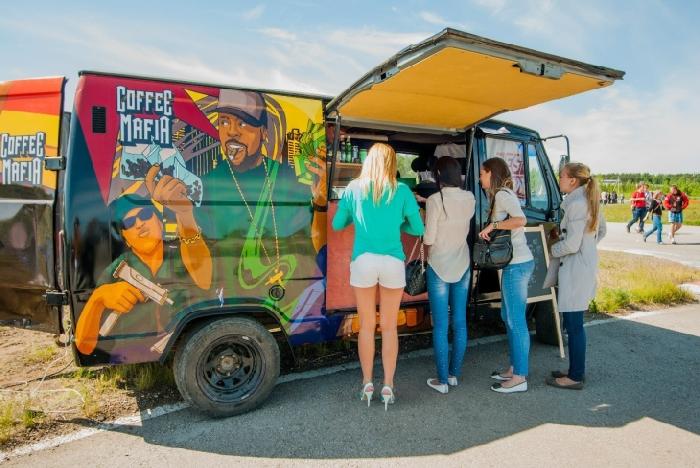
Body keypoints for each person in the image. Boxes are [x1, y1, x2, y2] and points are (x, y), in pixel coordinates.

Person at [198, 89, 327, 322]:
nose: (232, 131)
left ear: (264, 133)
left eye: (243, 123)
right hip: (232, 305)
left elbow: (314, 246)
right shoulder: (207, 185)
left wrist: (320, 202)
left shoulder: (288, 178)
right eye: (224, 121)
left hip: (291, 303)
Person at [75, 166, 212, 360]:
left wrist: (184, 214)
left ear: (160, 223)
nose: (139, 223)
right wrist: (98, 299)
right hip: (129, 355)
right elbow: (84, 347)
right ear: (126, 238)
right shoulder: (118, 269)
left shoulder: (180, 253)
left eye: (145, 215)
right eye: (129, 223)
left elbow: (205, 281)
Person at [332, 143, 424, 410]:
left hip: (363, 261)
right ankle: (388, 386)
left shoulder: (353, 188)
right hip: (392, 261)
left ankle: (367, 383)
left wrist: (356, 217)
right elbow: (418, 227)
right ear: (392, 163)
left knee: (367, 325)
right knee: (389, 327)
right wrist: (398, 223)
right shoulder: (402, 190)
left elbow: (337, 224)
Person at [545, 162, 606, 390]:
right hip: (582, 266)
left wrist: (551, 250)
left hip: (575, 269)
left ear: (572, 180)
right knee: (574, 323)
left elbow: (571, 244)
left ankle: (575, 376)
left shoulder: (577, 204)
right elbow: (601, 231)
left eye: (561, 176)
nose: (559, 179)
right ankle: (574, 370)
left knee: (574, 325)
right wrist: (588, 247)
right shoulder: (588, 200)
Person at [479, 157, 534, 394]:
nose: (480, 178)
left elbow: (521, 220)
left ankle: (519, 377)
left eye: (482, 173)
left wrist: (493, 226)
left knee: (515, 320)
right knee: (508, 316)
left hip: (516, 265)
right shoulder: (501, 195)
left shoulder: (502, 195)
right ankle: (514, 368)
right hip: (516, 264)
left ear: (491, 173)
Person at [423, 157, 475, 394]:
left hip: (439, 266)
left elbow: (429, 238)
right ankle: (453, 375)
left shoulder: (435, 200)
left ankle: (442, 381)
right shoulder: (470, 197)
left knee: (441, 325)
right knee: (460, 322)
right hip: (462, 263)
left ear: (438, 175)